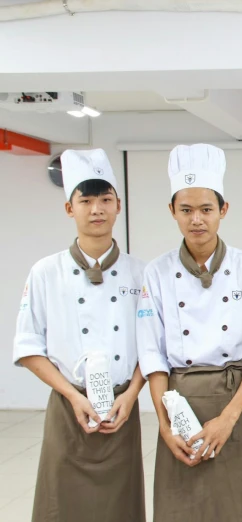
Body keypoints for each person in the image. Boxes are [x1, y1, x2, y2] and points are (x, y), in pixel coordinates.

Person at [136, 143, 242, 522]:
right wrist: (165, 425)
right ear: (172, 212)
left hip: (238, 403)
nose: (197, 219)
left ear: (223, 210)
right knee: (183, 508)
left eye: (206, 209)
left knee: (240, 506)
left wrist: (228, 417)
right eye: (186, 210)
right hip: (180, 403)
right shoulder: (156, 272)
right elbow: (152, 353)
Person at [14, 148, 146, 522]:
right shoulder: (45, 272)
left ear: (118, 206)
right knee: (63, 503)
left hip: (122, 406)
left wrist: (132, 395)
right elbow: (28, 347)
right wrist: (73, 395)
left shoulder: (140, 274)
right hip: (69, 405)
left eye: (105, 199)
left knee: (120, 504)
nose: (97, 209)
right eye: (85, 200)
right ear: (70, 209)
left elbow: (153, 348)